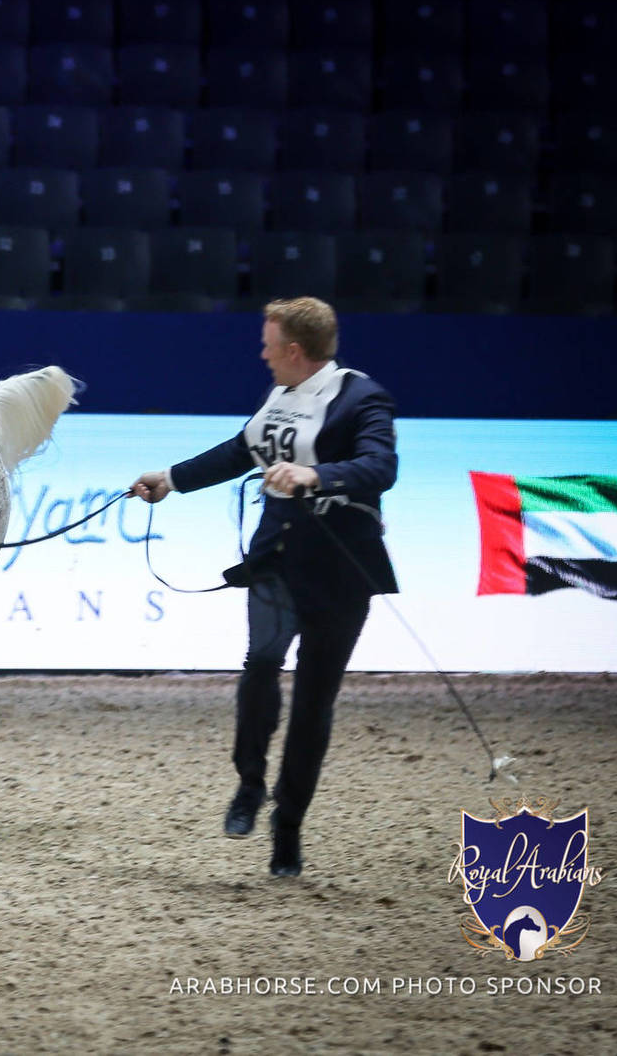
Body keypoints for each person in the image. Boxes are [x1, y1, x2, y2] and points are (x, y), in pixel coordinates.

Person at [131, 297, 398, 878]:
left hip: (340, 571)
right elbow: (238, 451)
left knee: (312, 704)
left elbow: (381, 468)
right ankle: (250, 783)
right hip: (277, 557)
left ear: (295, 351)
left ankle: (289, 824)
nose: (262, 353)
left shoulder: (361, 399)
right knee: (261, 663)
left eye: (269, 344)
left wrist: (318, 473)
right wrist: (171, 480)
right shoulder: (278, 397)